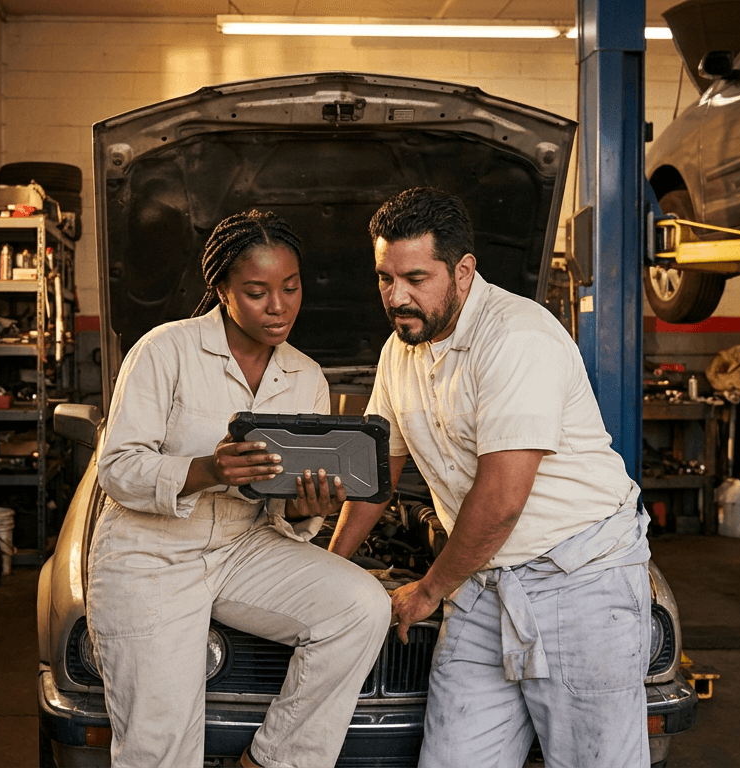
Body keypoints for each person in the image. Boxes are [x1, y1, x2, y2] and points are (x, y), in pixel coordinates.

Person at [328, 188, 652, 767]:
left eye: (415, 279)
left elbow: (501, 499)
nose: (396, 297)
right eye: (384, 278)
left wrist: (430, 589)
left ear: (463, 270)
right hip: (481, 583)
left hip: (578, 581)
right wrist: (330, 569)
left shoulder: (517, 337)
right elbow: (377, 469)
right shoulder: (400, 349)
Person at [88, 210, 392, 768]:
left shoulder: (305, 376)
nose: (279, 306)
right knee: (161, 750)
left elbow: (287, 502)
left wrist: (310, 506)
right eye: (257, 292)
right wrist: (208, 469)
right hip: (150, 554)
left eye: (291, 288)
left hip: (242, 547)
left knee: (360, 607)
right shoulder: (164, 351)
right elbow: (119, 469)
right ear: (223, 290)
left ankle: (273, 760)